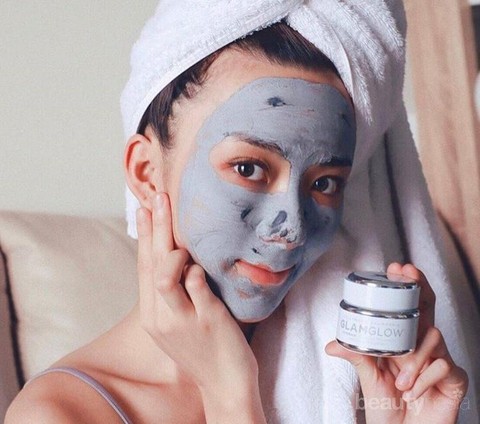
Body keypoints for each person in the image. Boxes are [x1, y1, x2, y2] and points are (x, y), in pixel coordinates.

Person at [5, 1, 479, 423]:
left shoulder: (354, 388)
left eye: (324, 183)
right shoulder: (58, 415)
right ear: (146, 173)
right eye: (249, 168)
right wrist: (229, 395)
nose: (292, 228)